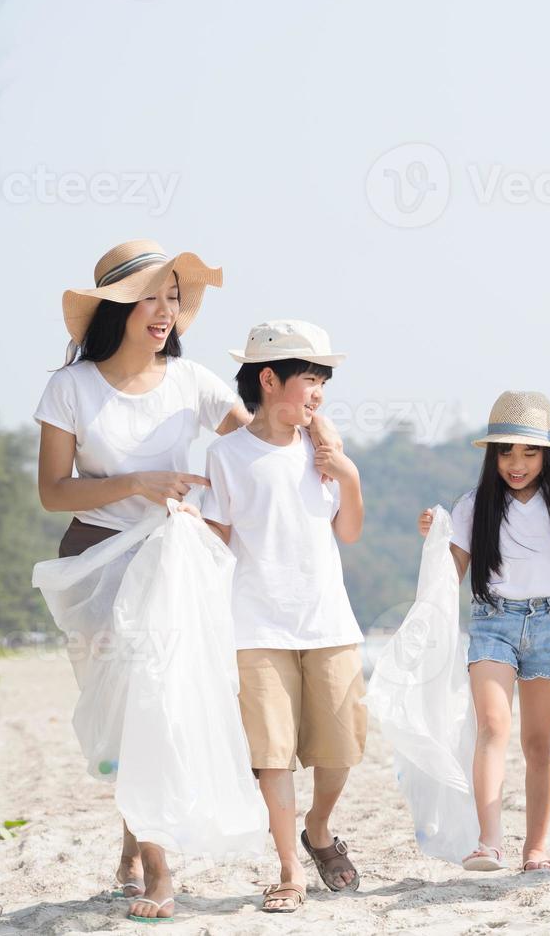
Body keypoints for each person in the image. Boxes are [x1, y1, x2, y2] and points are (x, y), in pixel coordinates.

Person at [33, 244, 340, 922]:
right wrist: (137, 483)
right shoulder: (70, 389)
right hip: (96, 558)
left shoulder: (193, 380)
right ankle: (139, 852)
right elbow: (53, 491)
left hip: (170, 564)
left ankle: (155, 871)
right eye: (151, 296)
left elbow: (260, 439)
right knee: (124, 716)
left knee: (157, 706)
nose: (166, 311)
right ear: (117, 309)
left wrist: (326, 444)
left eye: (173, 297)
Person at [201, 320, 366, 914]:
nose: (318, 393)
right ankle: (290, 871)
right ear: (268, 380)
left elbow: (347, 530)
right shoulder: (226, 455)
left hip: (328, 621)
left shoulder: (323, 450)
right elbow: (216, 543)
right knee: (270, 754)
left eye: (323, 382)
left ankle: (318, 828)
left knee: (340, 749)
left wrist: (345, 472)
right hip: (255, 627)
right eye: (309, 380)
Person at [417, 391, 550, 874]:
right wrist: (436, 535)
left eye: (528, 452)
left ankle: (536, 849)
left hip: (548, 625)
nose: (516, 463)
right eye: (506, 451)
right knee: (494, 728)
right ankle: (489, 842)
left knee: (539, 743)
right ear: (492, 455)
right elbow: (450, 573)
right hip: (492, 623)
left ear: (546, 454)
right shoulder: (473, 505)